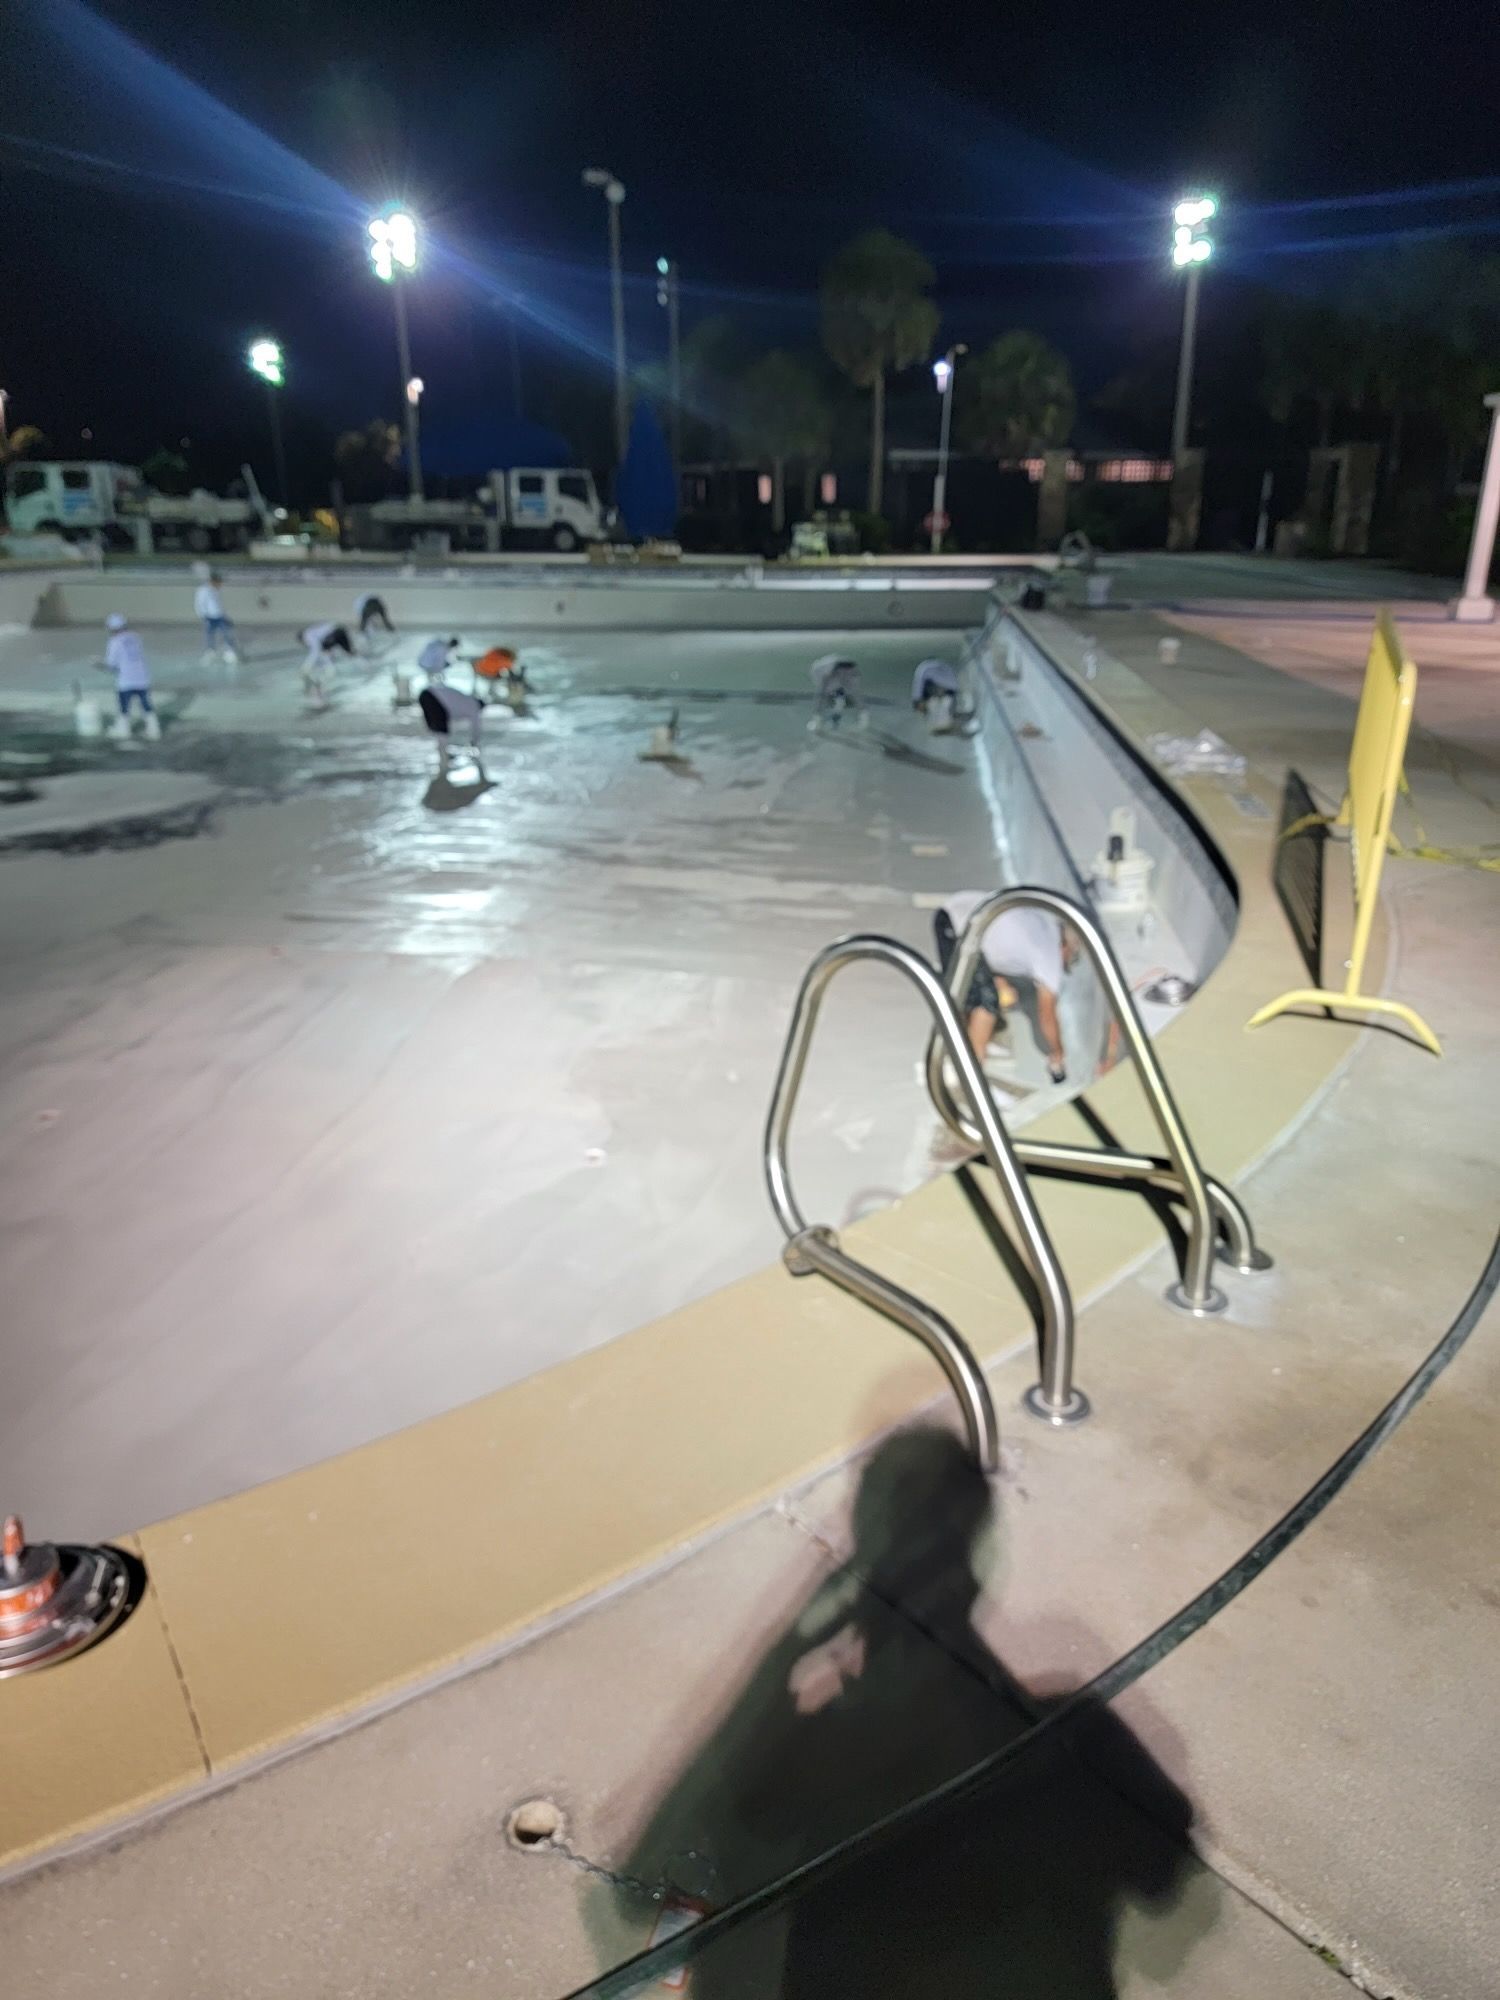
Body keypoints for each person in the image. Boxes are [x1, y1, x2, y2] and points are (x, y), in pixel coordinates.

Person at [935, 890, 1073, 1081]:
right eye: (1067, 961)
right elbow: (1047, 1016)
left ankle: (975, 1043)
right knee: (986, 1002)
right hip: (959, 926)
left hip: (961, 912)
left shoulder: (1045, 923)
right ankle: (967, 1074)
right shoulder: (1050, 955)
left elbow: (1004, 940)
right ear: (1064, 948)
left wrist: (1000, 982)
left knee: (996, 992)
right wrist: (1058, 1052)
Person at [97, 612, 160, 741]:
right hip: (142, 676)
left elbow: (111, 665)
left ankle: (123, 730)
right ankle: (154, 730)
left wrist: (98, 664)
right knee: (145, 704)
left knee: (124, 706)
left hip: (126, 679)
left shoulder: (114, 642)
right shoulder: (135, 637)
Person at [299, 621, 355, 708]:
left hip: (334, 634)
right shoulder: (314, 631)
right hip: (340, 630)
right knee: (349, 652)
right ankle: (366, 664)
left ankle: (319, 691)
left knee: (325, 655)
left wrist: (307, 665)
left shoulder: (307, 635)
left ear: (302, 638)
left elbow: (316, 650)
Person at [193, 570, 238, 666]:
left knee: (226, 633)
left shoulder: (216, 590)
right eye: (219, 582)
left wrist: (225, 617)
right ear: (213, 581)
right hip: (209, 617)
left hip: (219, 616)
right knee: (210, 635)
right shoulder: (203, 590)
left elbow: (219, 605)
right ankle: (210, 652)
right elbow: (200, 603)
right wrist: (203, 616)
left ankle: (229, 652)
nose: (221, 584)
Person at [809, 653, 862, 728]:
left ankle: (817, 719)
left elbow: (822, 694)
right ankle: (863, 715)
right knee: (850, 694)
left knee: (823, 696)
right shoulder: (823, 669)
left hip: (835, 667)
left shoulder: (820, 673)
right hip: (848, 666)